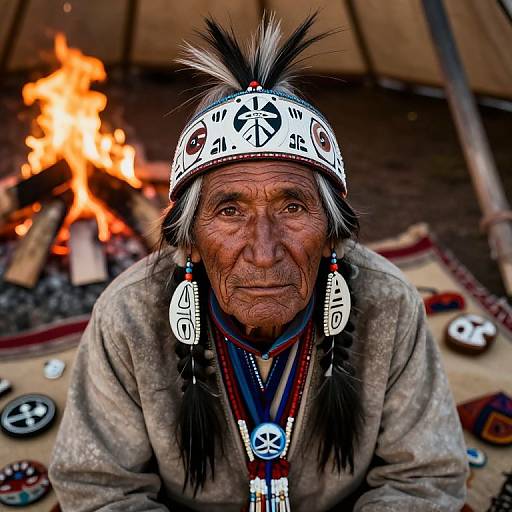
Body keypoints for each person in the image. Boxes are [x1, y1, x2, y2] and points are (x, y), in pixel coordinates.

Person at [49, 13, 468, 511]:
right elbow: (99, 489)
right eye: (230, 211)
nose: (264, 251)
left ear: (333, 233)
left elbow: (425, 477)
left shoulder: (388, 305)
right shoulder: (129, 317)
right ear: (191, 241)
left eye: (293, 208)